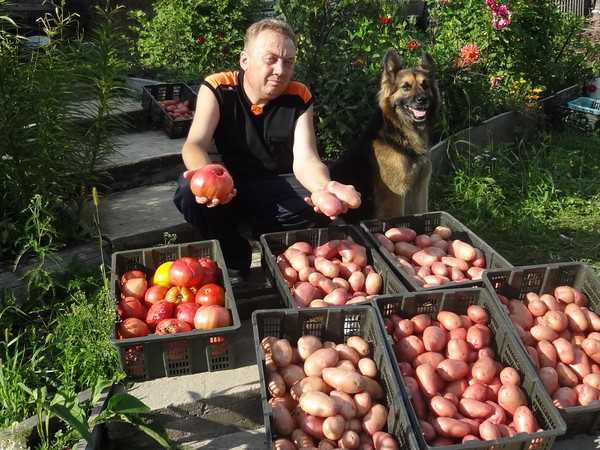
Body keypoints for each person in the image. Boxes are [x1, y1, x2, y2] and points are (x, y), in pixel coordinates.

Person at [173, 18, 361, 278]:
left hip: (273, 187)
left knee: (325, 204)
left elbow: (306, 159)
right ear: (245, 60)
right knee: (188, 192)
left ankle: (275, 250)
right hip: (229, 187)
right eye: (271, 59)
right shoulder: (218, 87)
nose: (280, 70)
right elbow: (195, 144)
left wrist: (323, 188)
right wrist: (209, 179)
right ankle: (235, 259)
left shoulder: (299, 96)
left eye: (288, 62)